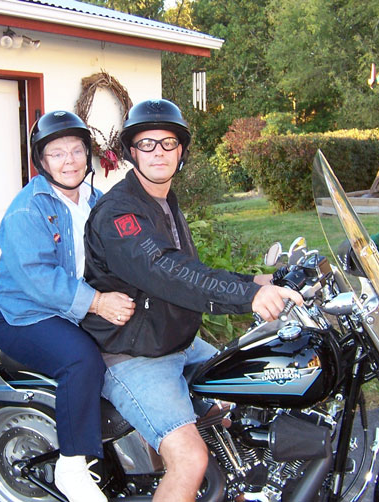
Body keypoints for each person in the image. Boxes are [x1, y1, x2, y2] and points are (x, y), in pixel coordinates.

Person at [81, 99, 303, 502]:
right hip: (134, 353)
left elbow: (189, 269)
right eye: (147, 144)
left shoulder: (163, 200)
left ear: (181, 151)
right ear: (132, 151)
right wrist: (249, 296)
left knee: (244, 405)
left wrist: (258, 280)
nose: (158, 152)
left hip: (175, 340)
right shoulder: (119, 213)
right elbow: (165, 271)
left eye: (168, 143)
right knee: (189, 459)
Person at [0, 111, 135, 502]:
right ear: (42, 160)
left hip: (70, 308)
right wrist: (98, 302)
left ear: (88, 155)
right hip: (23, 315)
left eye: (76, 150)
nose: (69, 161)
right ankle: (72, 467)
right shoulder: (27, 210)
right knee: (80, 359)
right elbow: (38, 278)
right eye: (57, 153)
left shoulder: (95, 201)